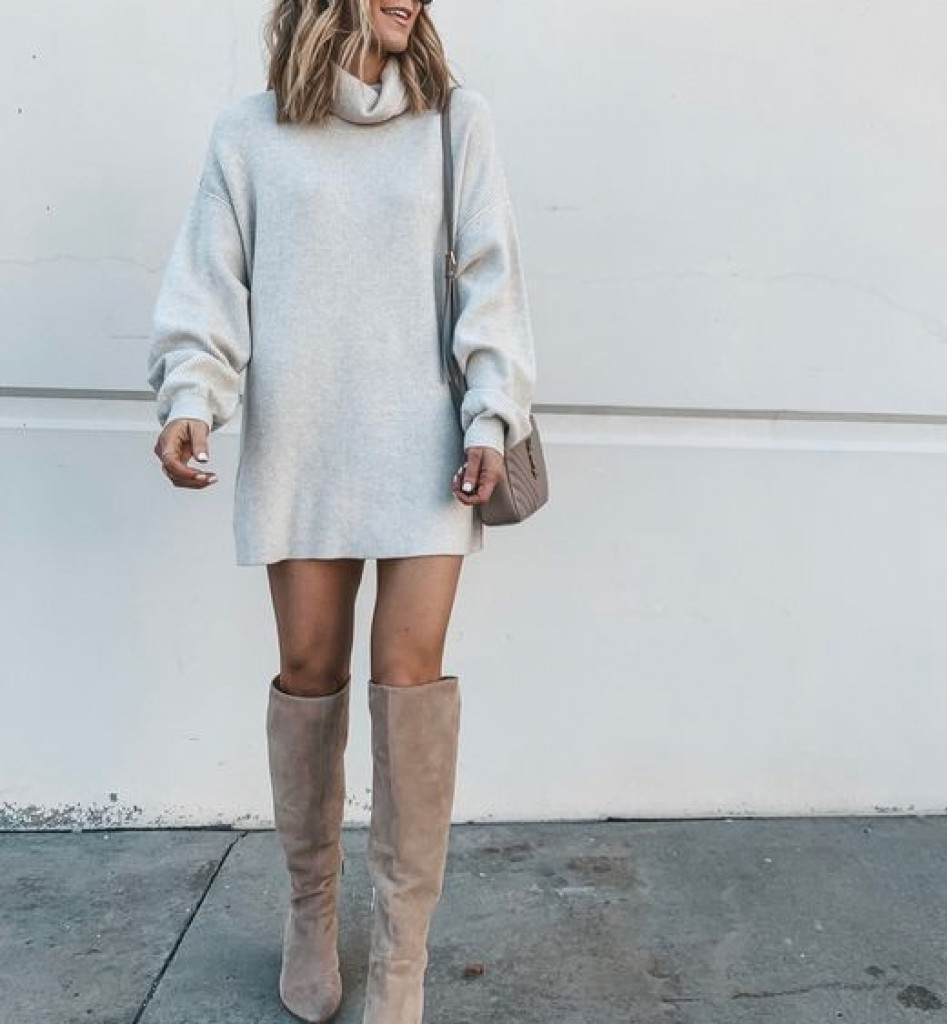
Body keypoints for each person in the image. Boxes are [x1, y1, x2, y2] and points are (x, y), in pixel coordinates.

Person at [145, 1, 538, 1021]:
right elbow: (208, 290)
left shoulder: (457, 124)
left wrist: (491, 416)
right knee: (311, 675)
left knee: (410, 683)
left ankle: (401, 958)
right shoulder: (249, 136)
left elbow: (491, 282)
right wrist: (190, 400)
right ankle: (310, 914)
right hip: (304, 446)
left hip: (426, 457)